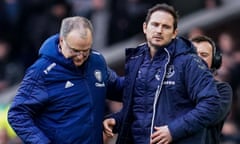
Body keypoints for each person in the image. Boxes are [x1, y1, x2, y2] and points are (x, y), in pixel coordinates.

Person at [103, 3, 224, 144]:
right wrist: (117, 121)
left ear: (174, 33)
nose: (159, 30)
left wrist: (173, 130)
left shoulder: (189, 63)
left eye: (165, 27)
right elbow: (141, 109)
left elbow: (212, 104)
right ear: (145, 28)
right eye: (155, 24)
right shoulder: (137, 62)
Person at [7, 16, 122, 144]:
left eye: (86, 51)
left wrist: (144, 77)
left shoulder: (97, 61)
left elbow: (118, 87)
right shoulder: (42, 71)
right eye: (75, 50)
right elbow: (17, 114)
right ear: (62, 41)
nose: (80, 57)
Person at [190, 35, 232, 143]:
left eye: (204, 55)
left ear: (214, 61)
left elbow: (209, 116)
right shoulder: (171, 87)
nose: (197, 58)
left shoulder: (222, 90)